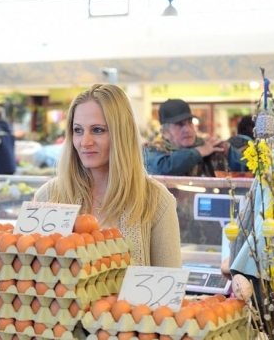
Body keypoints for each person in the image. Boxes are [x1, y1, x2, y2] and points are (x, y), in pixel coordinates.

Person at [34, 84, 181, 268]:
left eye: (97, 130)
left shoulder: (157, 201)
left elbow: (167, 289)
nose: (85, 142)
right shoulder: (48, 196)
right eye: (78, 130)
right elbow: (32, 278)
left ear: (122, 135)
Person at [144, 99, 229, 176]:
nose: (187, 129)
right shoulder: (152, 150)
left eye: (190, 122)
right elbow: (162, 168)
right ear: (164, 132)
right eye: (179, 124)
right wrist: (198, 152)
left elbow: (239, 164)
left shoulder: (211, 145)